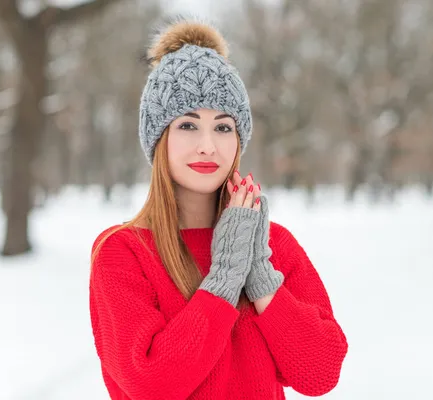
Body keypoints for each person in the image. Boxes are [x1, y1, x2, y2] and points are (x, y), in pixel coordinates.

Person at [89, 19, 348, 400]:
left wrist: (257, 270)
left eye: (224, 128)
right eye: (188, 125)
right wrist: (226, 276)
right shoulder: (123, 252)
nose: (208, 146)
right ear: (159, 139)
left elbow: (320, 372)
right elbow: (151, 384)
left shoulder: (273, 244)